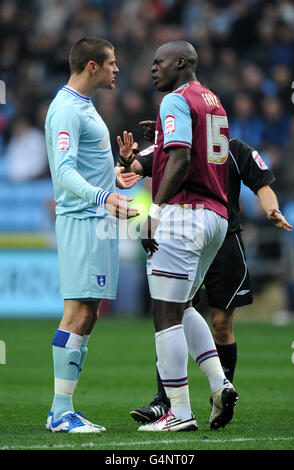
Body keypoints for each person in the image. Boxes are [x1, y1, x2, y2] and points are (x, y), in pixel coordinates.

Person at [121, 136, 292, 425]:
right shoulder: (175, 147)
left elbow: (262, 184)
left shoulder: (234, 149)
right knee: (172, 313)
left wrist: (271, 209)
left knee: (220, 324)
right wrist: (128, 161)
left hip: (224, 241)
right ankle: (165, 402)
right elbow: (135, 165)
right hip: (184, 237)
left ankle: (221, 398)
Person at [126, 40, 237, 432]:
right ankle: (220, 383)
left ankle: (179, 411)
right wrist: (156, 143)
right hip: (216, 218)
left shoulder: (174, 100)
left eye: (158, 62)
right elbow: (188, 150)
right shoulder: (213, 101)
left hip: (184, 215)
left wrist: (153, 213)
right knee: (186, 305)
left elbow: (182, 157)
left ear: (180, 62)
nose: (153, 68)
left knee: (165, 314)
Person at [44, 37, 140, 433]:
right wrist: (104, 195)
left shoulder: (84, 107)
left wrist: (115, 173)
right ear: (91, 66)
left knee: (90, 313)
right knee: (77, 312)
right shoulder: (65, 109)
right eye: (112, 63)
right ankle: (60, 411)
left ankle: (64, 408)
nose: (118, 69)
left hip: (96, 218)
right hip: (83, 219)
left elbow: (82, 165)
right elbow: (64, 172)